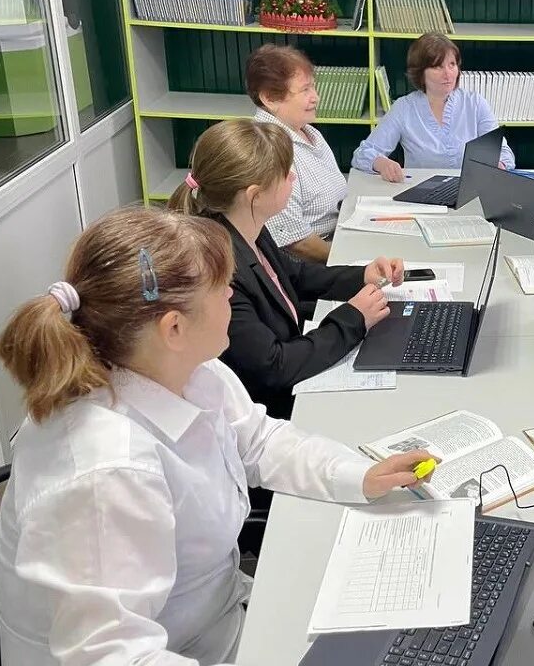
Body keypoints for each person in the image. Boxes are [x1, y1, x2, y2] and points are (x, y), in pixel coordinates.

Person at [0, 206, 433, 665]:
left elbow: (260, 442)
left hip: (218, 619)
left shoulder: (189, 370)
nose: (232, 295)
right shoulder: (107, 470)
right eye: (223, 287)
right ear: (174, 328)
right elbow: (111, 657)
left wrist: (359, 475)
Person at [167, 118, 403, 421]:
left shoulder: (246, 227)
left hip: (291, 375)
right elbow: (274, 366)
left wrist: (362, 275)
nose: (292, 177)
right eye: (284, 173)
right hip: (272, 409)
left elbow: (295, 275)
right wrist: (354, 317)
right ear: (255, 195)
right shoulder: (220, 275)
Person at [351, 32, 515, 181]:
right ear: (420, 72)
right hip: (420, 194)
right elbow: (362, 154)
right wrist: (381, 163)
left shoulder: (476, 103)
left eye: (452, 64)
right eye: (438, 67)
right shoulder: (404, 108)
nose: (448, 73)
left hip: (471, 190)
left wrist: (499, 165)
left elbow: (504, 153)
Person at [246, 43, 348, 263]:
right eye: (305, 90)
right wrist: (351, 259)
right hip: (311, 264)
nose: (316, 97)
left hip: (338, 238)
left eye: (314, 87)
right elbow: (295, 241)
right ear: (269, 98)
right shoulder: (268, 150)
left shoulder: (308, 132)